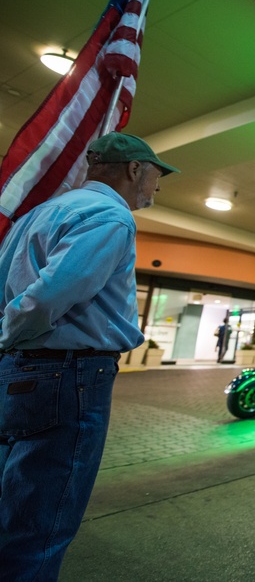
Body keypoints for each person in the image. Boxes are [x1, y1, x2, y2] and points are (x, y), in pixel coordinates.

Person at [0, 132, 178, 580]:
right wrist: (14, 334)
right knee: (41, 521)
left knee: (12, 503)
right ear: (136, 169)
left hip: (18, 372)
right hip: (68, 375)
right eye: (156, 175)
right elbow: (48, 298)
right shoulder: (112, 218)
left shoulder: (36, 214)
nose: (157, 186)